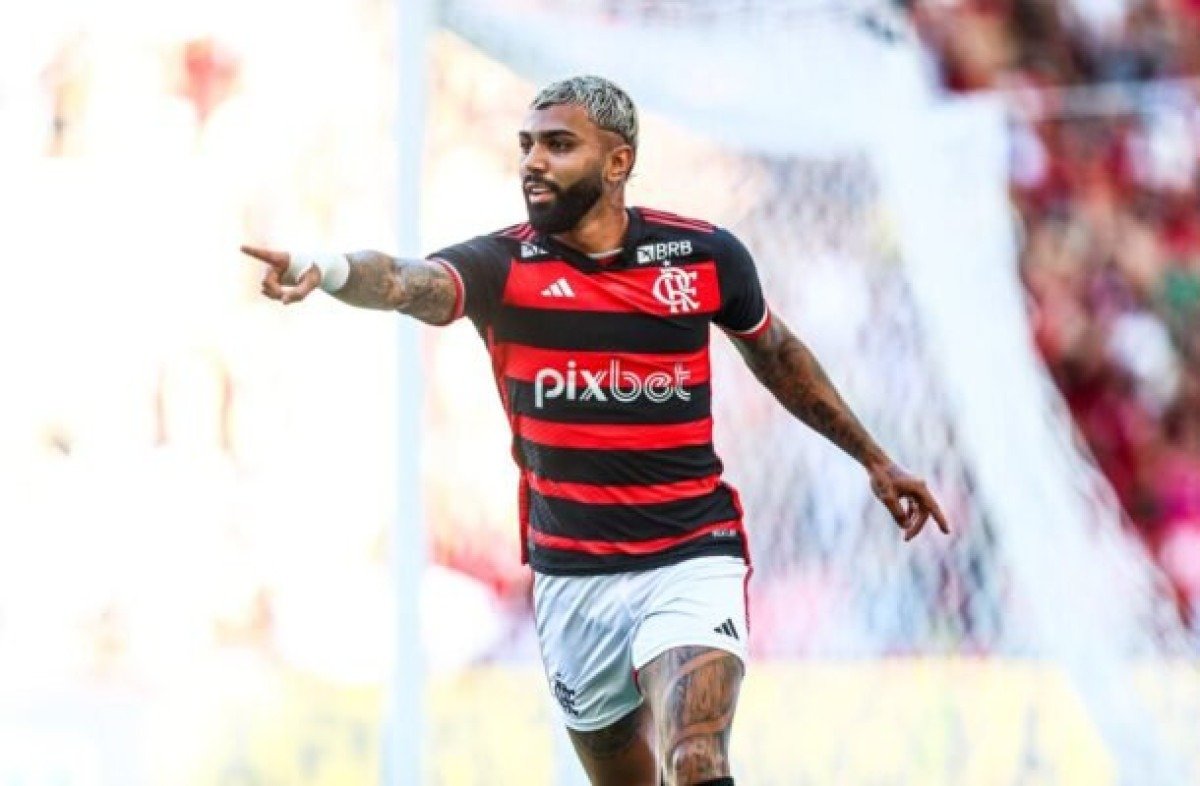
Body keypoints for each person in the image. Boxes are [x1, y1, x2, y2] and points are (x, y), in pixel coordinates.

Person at [242, 75, 949, 786]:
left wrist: (874, 459)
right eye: (526, 145)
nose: (533, 162)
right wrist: (328, 269)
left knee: (695, 758)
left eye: (558, 145)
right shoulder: (502, 266)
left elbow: (774, 350)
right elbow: (403, 280)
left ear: (618, 162)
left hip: (690, 554)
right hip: (573, 578)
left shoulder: (703, 256)